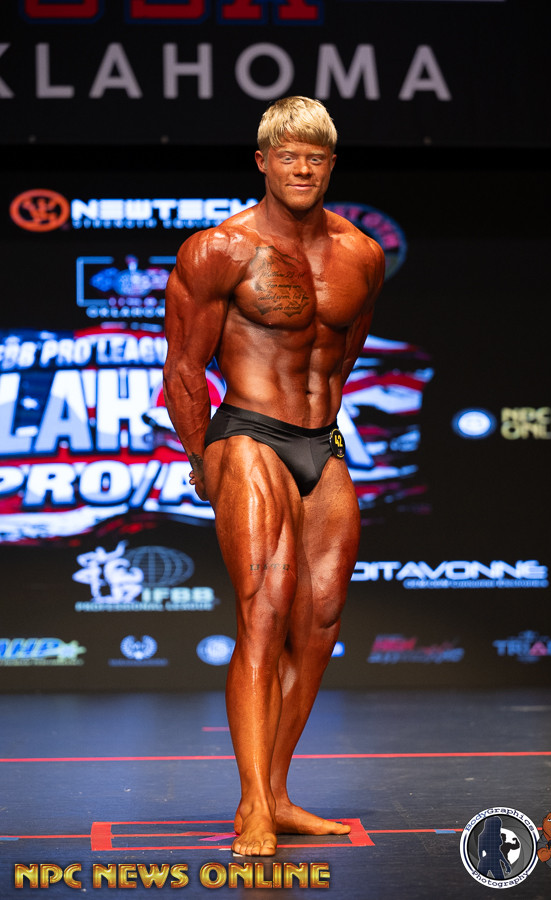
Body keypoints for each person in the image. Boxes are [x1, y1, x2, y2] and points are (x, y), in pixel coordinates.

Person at [163, 96, 385, 856]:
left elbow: (343, 355)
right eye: (287, 156)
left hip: (322, 441)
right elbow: (184, 368)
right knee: (264, 612)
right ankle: (253, 805)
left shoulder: (361, 255)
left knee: (320, 622)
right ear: (262, 162)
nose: (301, 169)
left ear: (331, 166)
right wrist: (204, 459)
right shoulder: (219, 250)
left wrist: (323, 430)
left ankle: (280, 793)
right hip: (249, 434)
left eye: (315, 158)